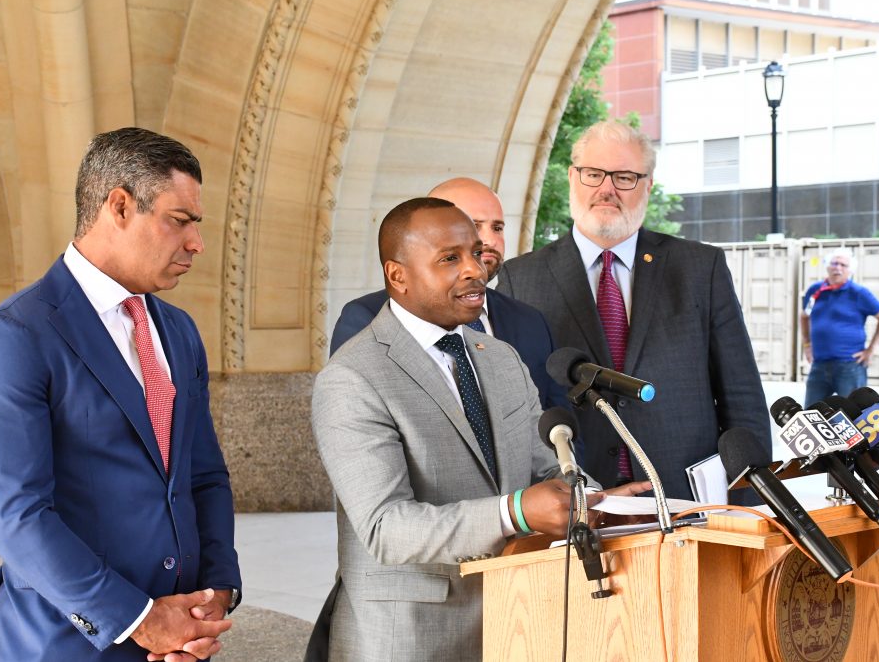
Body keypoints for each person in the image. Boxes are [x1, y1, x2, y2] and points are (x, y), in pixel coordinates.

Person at [307, 197, 649, 661]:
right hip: (409, 637)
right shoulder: (353, 376)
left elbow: (548, 465)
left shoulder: (501, 357)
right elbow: (386, 528)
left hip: (518, 620)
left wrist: (588, 500)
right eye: (450, 258)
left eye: (474, 251)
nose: (476, 268)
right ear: (398, 275)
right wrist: (515, 513)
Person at [0, 128, 241, 662]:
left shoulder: (178, 332)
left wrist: (215, 594)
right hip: (62, 645)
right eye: (180, 221)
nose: (197, 244)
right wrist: (140, 620)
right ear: (120, 206)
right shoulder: (11, 339)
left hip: (180, 641)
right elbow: (17, 517)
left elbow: (203, 477)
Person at [497, 120, 770, 500]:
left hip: (685, 498)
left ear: (648, 186)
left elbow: (741, 396)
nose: (607, 189)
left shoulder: (699, 267)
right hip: (575, 498)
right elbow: (512, 406)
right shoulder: (521, 277)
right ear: (573, 178)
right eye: (594, 174)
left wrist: (748, 507)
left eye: (625, 177)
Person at [329, 177, 566, 411]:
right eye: (473, 225)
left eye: (497, 227)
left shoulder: (530, 321)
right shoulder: (366, 320)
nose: (489, 240)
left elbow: (560, 427)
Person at [800, 248, 879, 406]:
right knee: (810, 414)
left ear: (850, 271)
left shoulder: (858, 293)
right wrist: (807, 345)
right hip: (820, 364)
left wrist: (871, 348)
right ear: (827, 266)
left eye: (843, 265)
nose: (838, 268)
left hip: (849, 365)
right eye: (834, 263)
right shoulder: (816, 291)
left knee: (856, 413)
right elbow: (804, 316)